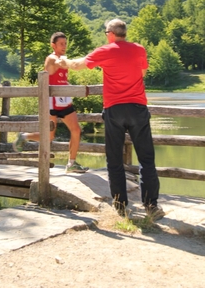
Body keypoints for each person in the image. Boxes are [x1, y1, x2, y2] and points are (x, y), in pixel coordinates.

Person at [57, 18, 164, 219]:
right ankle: (151, 206)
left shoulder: (105, 51)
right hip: (138, 108)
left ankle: (121, 207)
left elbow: (79, 65)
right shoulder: (139, 49)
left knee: (114, 160)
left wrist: (64, 62)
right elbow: (142, 72)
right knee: (147, 160)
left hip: (114, 109)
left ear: (110, 34)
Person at [13, 31, 89, 174]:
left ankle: (71, 163)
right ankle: (24, 136)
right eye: (61, 44)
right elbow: (64, 64)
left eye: (65, 44)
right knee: (49, 136)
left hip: (64, 101)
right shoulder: (52, 59)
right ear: (53, 45)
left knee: (76, 130)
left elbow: (62, 75)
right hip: (51, 103)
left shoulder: (63, 59)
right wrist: (84, 61)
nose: (64, 46)